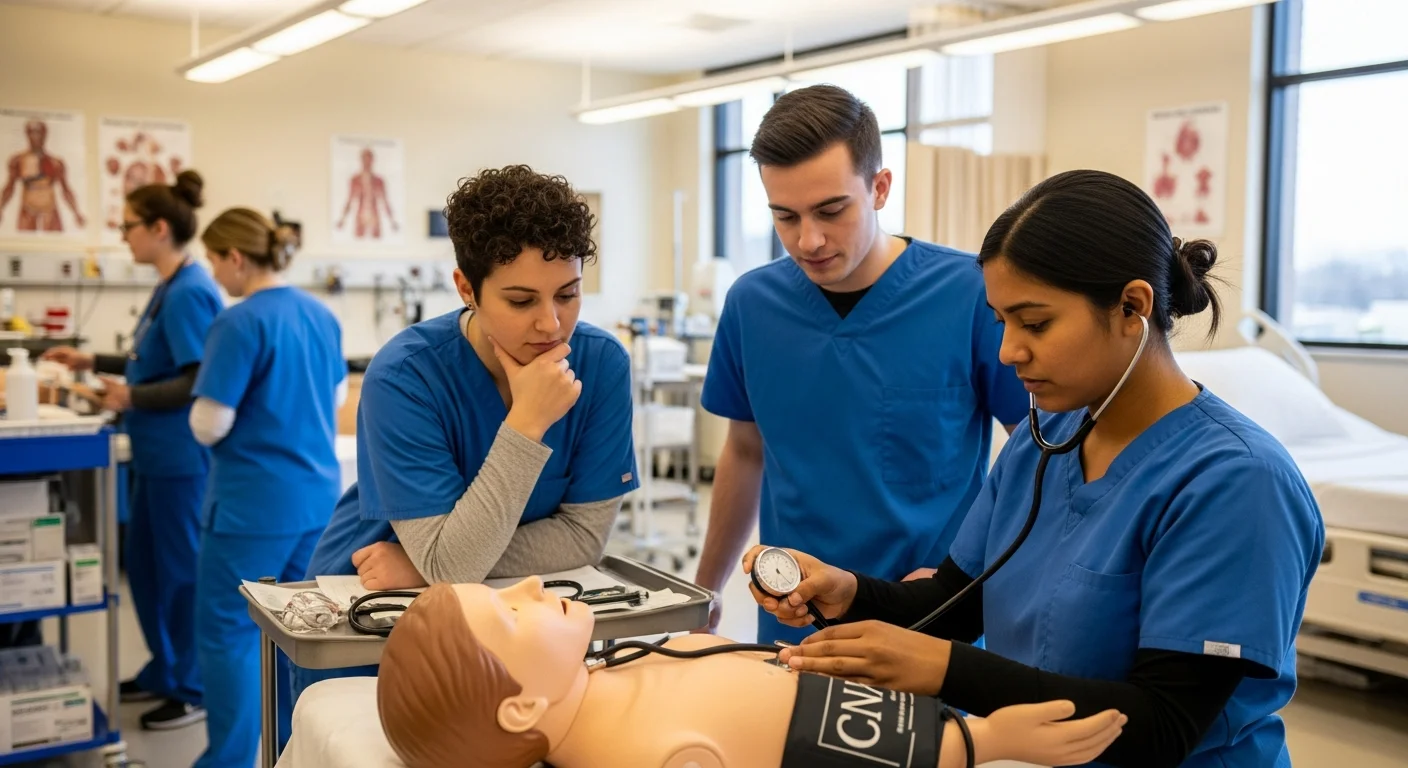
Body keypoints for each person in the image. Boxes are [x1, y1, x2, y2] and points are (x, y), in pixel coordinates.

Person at [746, 170, 1325, 768]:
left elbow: (1163, 725)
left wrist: (944, 670)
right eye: (1002, 322)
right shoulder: (1042, 439)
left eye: (1036, 323)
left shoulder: (1238, 483)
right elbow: (956, 601)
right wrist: (850, 592)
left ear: (1132, 307)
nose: (1008, 352)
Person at [290, 165, 638, 723]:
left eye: (568, 294)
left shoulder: (601, 365)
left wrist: (434, 567)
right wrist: (526, 424)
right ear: (466, 289)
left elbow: (583, 539)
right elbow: (450, 562)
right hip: (377, 613)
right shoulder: (406, 376)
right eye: (521, 301)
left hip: (505, 617)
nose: (552, 325)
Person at [696, 84, 1026, 644]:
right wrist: (705, 590)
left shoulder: (970, 294)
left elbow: (1034, 455)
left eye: (831, 211)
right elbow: (745, 453)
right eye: (785, 216)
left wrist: (976, 569)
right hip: (795, 617)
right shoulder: (752, 305)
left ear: (879, 188)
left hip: (930, 616)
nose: (809, 240)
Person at [372, 578, 1127, 768]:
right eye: (510, 611)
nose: (533, 584)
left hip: (861, 685)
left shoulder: (600, 677)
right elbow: (840, 749)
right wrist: (988, 741)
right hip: (892, 733)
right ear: (520, 709)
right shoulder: (658, 755)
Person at [43, 170, 222, 730]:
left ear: (159, 228)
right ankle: (163, 670)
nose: (123, 237)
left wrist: (131, 396)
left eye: (127, 227)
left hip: (179, 461)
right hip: (152, 456)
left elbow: (197, 379)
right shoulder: (168, 287)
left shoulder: (190, 291)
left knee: (178, 575)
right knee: (143, 569)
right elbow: (152, 361)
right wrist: (90, 361)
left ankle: (191, 688)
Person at [187, 208, 345, 768]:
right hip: (316, 502)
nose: (212, 273)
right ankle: (290, 754)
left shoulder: (238, 322)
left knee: (230, 634)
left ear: (235, 258)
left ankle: (227, 762)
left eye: (213, 260)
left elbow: (210, 424)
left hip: (251, 508)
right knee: (296, 634)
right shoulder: (320, 314)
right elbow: (334, 400)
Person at [0, 120, 86, 232]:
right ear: (27, 135)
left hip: (49, 211)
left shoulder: (55, 163)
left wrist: (76, 212)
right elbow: (9, 187)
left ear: (45, 134)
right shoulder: (18, 161)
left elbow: (65, 189)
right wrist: (1, 207)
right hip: (28, 211)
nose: (35, 136)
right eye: (32, 132)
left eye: (39, 132)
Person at [336, 147, 397, 239]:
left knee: (376, 241)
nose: (367, 163)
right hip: (361, 216)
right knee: (358, 241)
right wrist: (342, 219)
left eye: (369, 160)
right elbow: (350, 200)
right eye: (364, 160)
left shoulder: (379, 181)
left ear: (372, 161)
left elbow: (385, 201)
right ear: (361, 161)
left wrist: (392, 221)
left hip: (374, 216)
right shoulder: (355, 180)